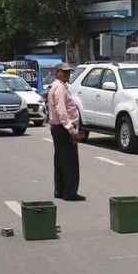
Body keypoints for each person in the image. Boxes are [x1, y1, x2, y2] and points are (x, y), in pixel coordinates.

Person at [47, 62, 85, 201]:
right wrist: (70, 128)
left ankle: (60, 190)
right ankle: (69, 192)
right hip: (64, 129)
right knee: (70, 162)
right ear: (57, 72)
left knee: (60, 160)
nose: (67, 74)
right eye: (64, 72)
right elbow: (61, 110)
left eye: (69, 72)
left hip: (60, 128)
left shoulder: (60, 86)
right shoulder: (59, 88)